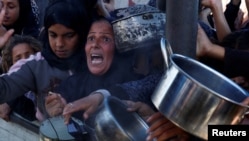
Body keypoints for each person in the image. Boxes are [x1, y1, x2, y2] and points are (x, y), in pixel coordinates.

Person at [45, 17, 193, 141]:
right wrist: (56, 107)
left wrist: (189, 133)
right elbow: (56, 110)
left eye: (105, 39)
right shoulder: (74, 82)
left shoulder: (139, 81)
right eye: (91, 38)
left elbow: (214, 132)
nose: (95, 44)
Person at [0, 0, 94, 122]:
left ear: (82, 33)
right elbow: (4, 89)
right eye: (53, 35)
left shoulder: (96, 61)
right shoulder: (36, 65)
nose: (59, 44)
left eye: (68, 35)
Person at [0, 34, 42, 121]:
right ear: (11, 64)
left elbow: (33, 114)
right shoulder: (10, 81)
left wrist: (9, 101)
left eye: (29, 56)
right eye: (18, 59)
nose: (24, 61)